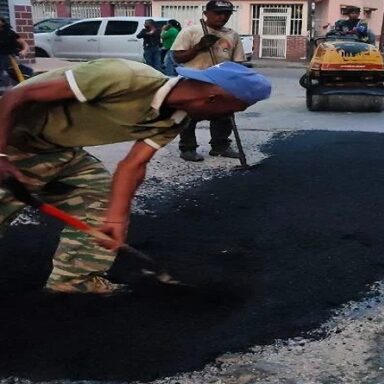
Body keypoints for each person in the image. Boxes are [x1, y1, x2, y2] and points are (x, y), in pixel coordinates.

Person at [0, 58, 271, 294]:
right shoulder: (125, 77)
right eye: (235, 109)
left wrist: (116, 218)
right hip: (8, 136)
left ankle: (74, 280)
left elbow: (133, 165)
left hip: (53, 148)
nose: (231, 117)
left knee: (99, 198)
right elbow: (15, 97)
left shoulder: (176, 118)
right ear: (213, 98)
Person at [171, 0, 246, 162]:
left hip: (219, 82)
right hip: (193, 81)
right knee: (189, 116)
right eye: (218, 13)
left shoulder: (232, 35)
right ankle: (188, 148)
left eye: (227, 14)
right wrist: (198, 47)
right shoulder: (191, 32)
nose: (223, 17)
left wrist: (233, 80)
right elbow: (177, 58)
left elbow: (237, 61)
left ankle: (220, 146)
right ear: (206, 14)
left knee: (223, 115)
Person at [0, 17, 29, 87]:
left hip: (9, 57)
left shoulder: (10, 33)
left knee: (24, 73)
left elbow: (24, 43)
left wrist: (24, 50)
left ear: (2, 23)